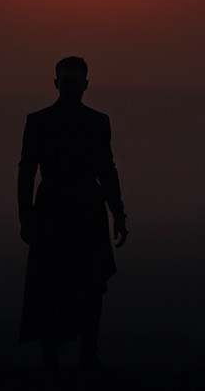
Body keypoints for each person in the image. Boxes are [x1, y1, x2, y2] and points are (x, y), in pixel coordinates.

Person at [17, 56, 128, 370]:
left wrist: (118, 212)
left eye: (75, 81)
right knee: (50, 283)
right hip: (51, 209)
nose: (70, 87)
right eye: (66, 81)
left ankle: (87, 353)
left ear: (85, 84)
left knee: (91, 284)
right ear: (56, 84)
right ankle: (51, 355)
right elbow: (26, 171)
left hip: (87, 209)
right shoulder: (38, 122)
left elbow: (107, 169)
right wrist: (26, 217)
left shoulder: (98, 122)